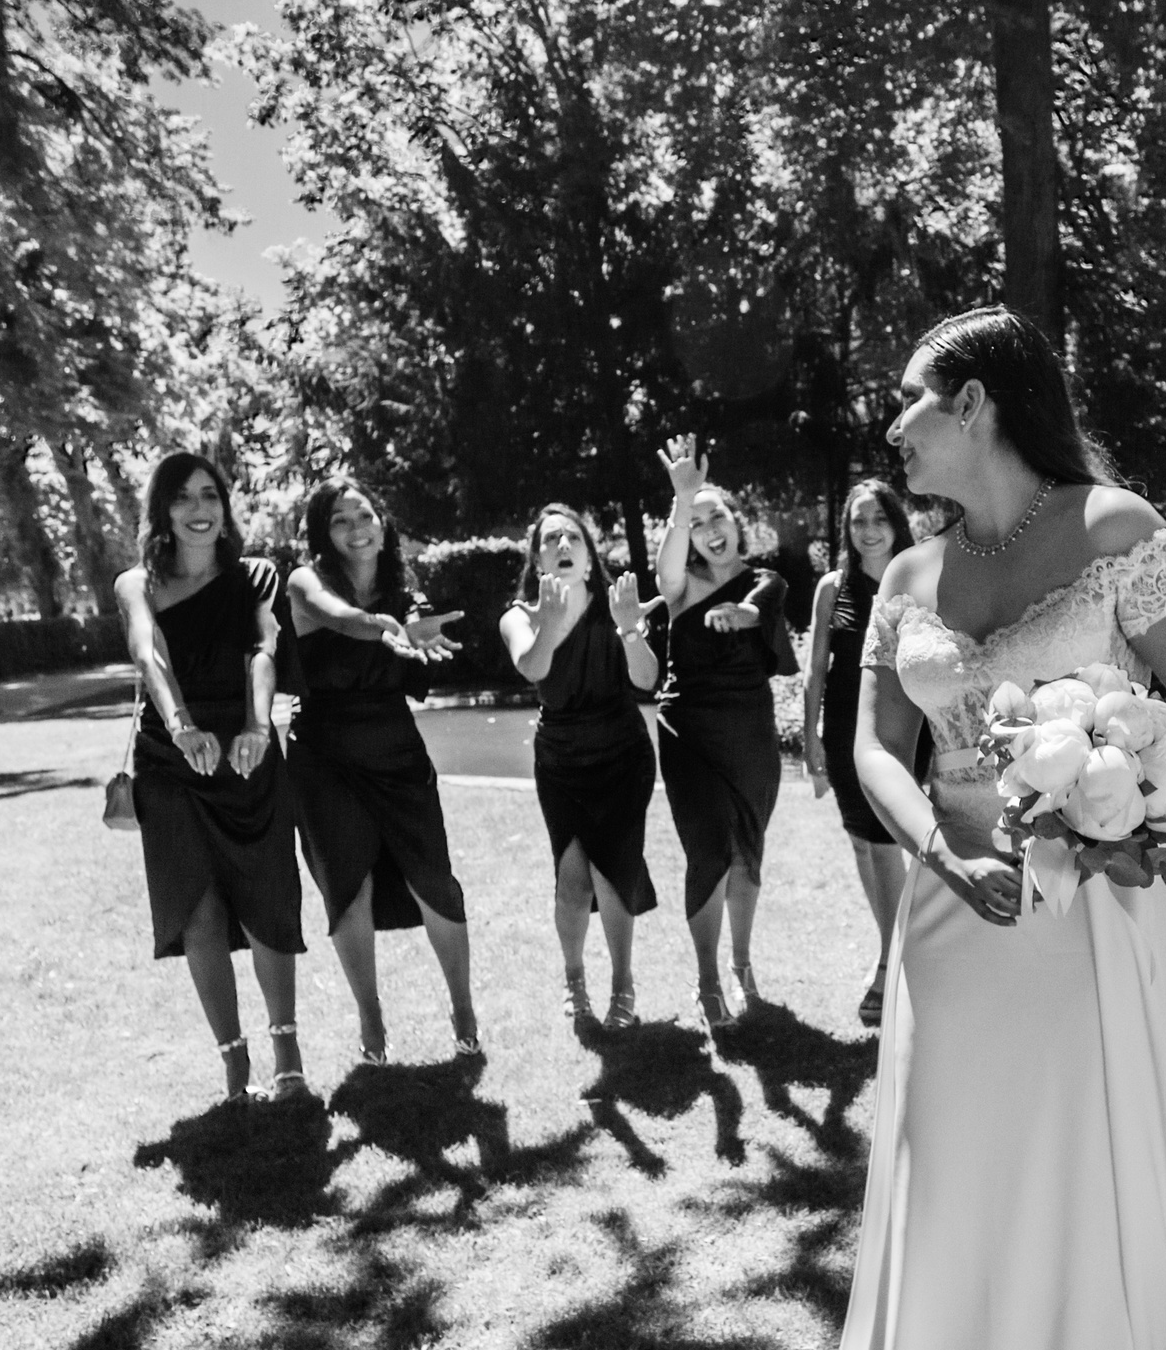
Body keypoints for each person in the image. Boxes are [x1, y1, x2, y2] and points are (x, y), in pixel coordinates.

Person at [793, 308, 1166, 1350]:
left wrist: (1139, 792)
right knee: (956, 1163)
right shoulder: (902, 579)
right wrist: (933, 857)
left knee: (1073, 1155)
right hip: (951, 907)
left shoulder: (1121, 533)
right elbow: (878, 744)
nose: (893, 426)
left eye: (912, 400)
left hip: (1096, 908)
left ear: (978, 405)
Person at [114, 452, 306, 1103]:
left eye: (210, 496)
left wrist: (256, 728)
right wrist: (180, 724)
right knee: (198, 915)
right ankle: (233, 1062)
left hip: (247, 753)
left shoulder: (256, 575)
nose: (199, 510)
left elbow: (261, 649)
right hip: (172, 760)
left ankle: (288, 1052)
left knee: (267, 904)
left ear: (224, 508)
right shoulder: (135, 583)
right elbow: (149, 649)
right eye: (183, 498)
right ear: (161, 511)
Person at [282, 476, 480, 1063]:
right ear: (323, 534)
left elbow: (416, 628)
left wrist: (414, 626)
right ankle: (372, 1025)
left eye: (363, 515)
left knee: (433, 879)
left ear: (382, 521)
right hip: (323, 753)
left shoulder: (401, 586)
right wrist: (385, 628)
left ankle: (463, 1009)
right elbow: (338, 617)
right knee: (348, 886)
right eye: (340, 521)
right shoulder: (304, 582)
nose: (356, 528)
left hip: (394, 749)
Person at [499, 504, 661, 1029]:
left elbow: (646, 681)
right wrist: (549, 624)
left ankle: (623, 985)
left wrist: (631, 631)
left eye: (573, 537)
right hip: (562, 758)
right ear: (537, 558)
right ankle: (574, 980)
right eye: (551, 539)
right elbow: (534, 669)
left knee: (613, 872)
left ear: (590, 559)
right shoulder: (520, 616)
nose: (563, 544)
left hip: (622, 754)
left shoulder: (618, 607)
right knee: (572, 880)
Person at [650, 437, 792, 1028]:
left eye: (718, 517)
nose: (709, 529)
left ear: (738, 525)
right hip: (688, 732)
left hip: (751, 735)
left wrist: (748, 616)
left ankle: (740, 962)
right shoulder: (681, 586)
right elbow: (665, 569)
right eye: (697, 521)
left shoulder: (768, 579)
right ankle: (707, 980)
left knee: (747, 856)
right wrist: (682, 500)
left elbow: (764, 602)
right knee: (708, 850)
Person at [801, 479, 928, 1028]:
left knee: (886, 842)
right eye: (858, 521)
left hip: (908, 729)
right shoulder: (835, 586)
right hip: (845, 731)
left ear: (896, 522)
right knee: (862, 841)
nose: (869, 530)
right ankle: (892, 949)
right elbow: (816, 670)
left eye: (879, 518)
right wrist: (810, 740)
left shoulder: (921, 576)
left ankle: (890, 962)